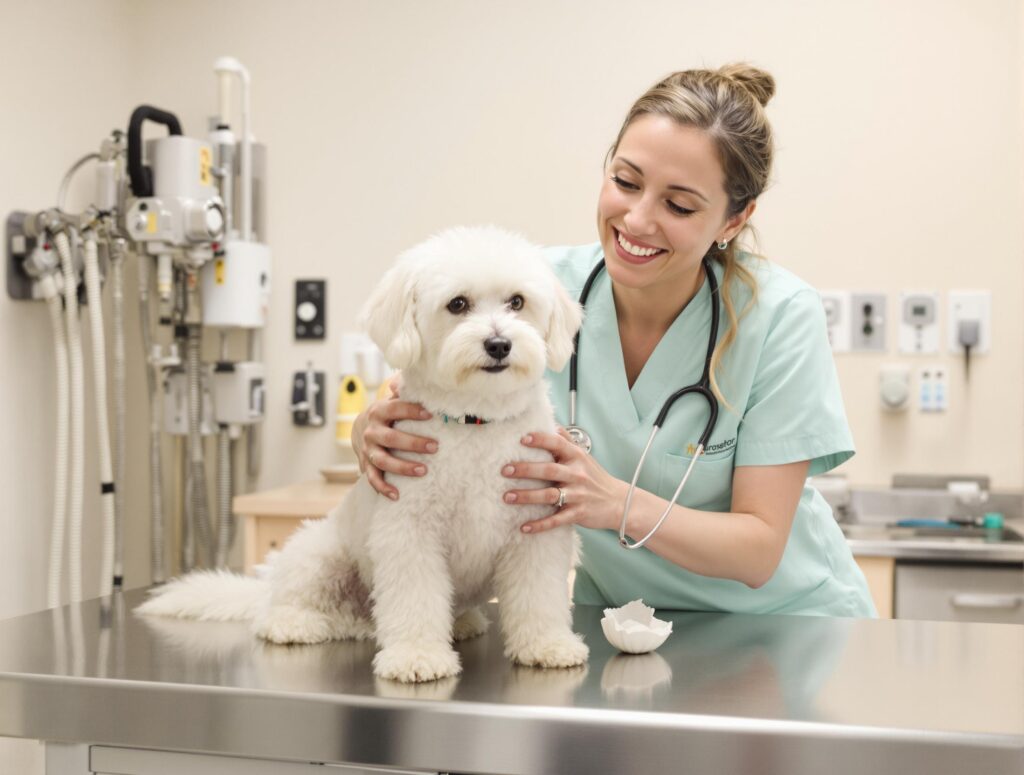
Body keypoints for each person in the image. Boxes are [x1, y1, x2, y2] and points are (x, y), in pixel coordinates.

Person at [352, 64, 876, 617]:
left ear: (733, 219)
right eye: (626, 182)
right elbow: (426, 380)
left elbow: (759, 550)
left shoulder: (780, 316)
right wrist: (372, 428)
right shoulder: (534, 290)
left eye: (678, 205)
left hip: (782, 627)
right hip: (621, 621)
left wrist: (613, 503)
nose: (637, 219)